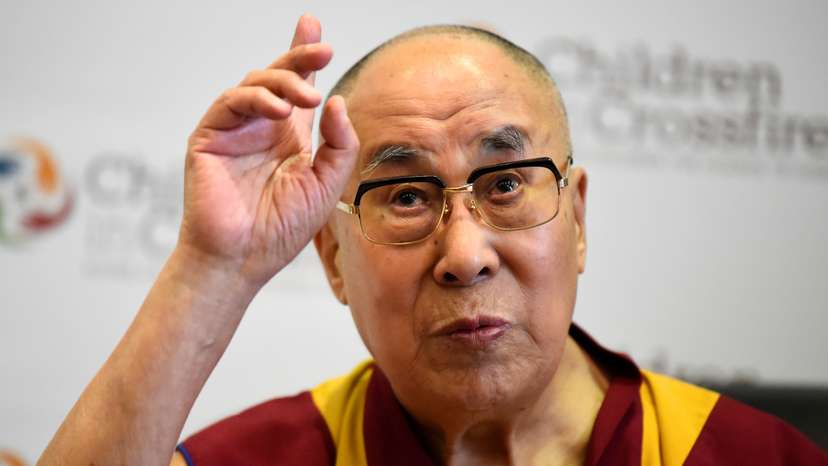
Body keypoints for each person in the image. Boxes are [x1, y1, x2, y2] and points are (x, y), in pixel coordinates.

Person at [38, 14, 827, 466]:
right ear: (333, 260)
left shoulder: (741, 455)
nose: (465, 255)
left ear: (577, 220)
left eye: (507, 183)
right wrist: (213, 264)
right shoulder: (277, 458)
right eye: (405, 195)